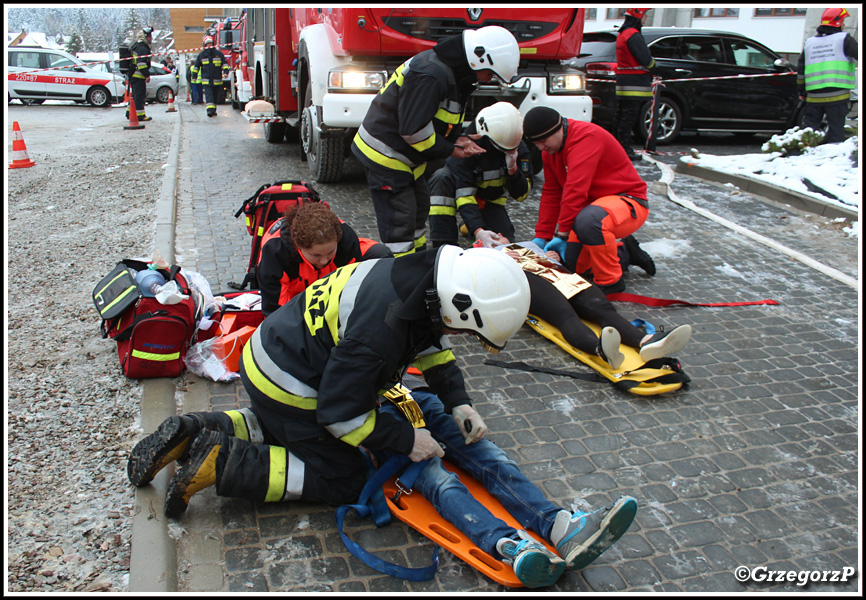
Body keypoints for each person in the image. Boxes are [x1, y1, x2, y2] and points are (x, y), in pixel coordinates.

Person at [127, 246, 638, 588]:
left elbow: (433, 345)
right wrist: (405, 440)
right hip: (296, 382)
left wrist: (457, 400)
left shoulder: (427, 283)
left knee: (478, 451)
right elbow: (339, 414)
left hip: (299, 362)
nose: (461, 339)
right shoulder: (382, 333)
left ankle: (560, 524)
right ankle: (226, 463)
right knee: (350, 475)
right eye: (470, 332)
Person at [350, 26, 520, 256]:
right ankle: (399, 279)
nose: (489, 79)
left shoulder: (452, 74)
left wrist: (458, 139)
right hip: (387, 156)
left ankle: (417, 266)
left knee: (418, 215)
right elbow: (413, 131)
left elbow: (437, 120)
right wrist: (451, 149)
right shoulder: (430, 75)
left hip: (407, 159)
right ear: (478, 59)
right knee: (400, 228)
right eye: (490, 73)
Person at [523, 106, 656, 295]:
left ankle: (611, 282)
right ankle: (624, 251)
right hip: (593, 210)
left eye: (543, 141)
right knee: (573, 263)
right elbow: (552, 194)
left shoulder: (586, 138)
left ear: (558, 129)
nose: (540, 147)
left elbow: (575, 191)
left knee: (590, 221)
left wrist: (561, 236)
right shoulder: (550, 152)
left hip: (629, 202)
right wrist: (542, 237)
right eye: (536, 143)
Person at [503, 242, 690, 369]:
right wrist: (497, 259)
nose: (498, 236)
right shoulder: (484, 253)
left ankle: (645, 342)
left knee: (603, 308)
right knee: (564, 315)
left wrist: (552, 256)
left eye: (500, 235)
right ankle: (601, 350)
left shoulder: (530, 245)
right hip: (527, 279)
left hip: (559, 274)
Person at [257, 202, 393, 316]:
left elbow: (349, 293)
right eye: (316, 255)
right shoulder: (275, 254)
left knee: (382, 256)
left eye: (330, 252)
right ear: (298, 246)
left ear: (338, 241)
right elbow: (276, 312)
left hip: (331, 283)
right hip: (294, 296)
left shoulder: (347, 242)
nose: (324, 261)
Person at [428, 102, 533, 249]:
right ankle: (444, 244)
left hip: (490, 200)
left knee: (503, 244)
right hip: (462, 195)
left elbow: (521, 195)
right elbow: (464, 195)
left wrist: (513, 170)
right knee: (442, 177)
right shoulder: (467, 147)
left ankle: (467, 225)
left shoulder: (516, 145)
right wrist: (478, 230)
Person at [797, 8, 858, 145]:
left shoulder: (810, 43)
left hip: (813, 97)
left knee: (809, 133)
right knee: (836, 133)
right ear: (838, 23)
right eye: (843, 22)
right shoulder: (843, 39)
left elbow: (801, 71)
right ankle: (831, 160)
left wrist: (801, 91)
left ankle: (804, 157)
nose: (844, 25)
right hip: (837, 96)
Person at [614, 8, 655, 160]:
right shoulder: (633, 35)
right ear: (638, 16)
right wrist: (654, 66)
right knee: (628, 118)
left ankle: (617, 147)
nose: (646, 17)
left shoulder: (622, 34)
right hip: (635, 84)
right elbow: (645, 60)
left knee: (620, 116)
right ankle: (624, 149)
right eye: (645, 15)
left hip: (624, 82)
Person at [193, 36, 225, 117]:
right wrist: (194, 76)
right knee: (209, 95)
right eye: (207, 44)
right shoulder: (202, 55)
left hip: (217, 80)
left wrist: (226, 71)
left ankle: (213, 110)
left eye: (210, 43)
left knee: (215, 96)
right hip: (206, 80)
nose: (209, 45)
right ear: (204, 45)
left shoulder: (218, 54)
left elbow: (224, 64)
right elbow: (196, 66)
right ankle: (209, 111)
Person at [128, 27, 154, 122]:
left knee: (134, 96)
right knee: (139, 96)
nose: (151, 38)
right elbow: (141, 64)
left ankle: (129, 113)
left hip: (133, 75)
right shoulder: (143, 48)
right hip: (138, 76)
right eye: (150, 36)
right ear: (146, 37)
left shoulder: (136, 46)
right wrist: (147, 75)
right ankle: (140, 115)